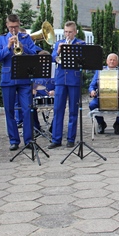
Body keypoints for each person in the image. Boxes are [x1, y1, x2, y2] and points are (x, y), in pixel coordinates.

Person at [0, 14, 43, 151]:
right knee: (9, 111)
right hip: (8, 78)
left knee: (27, 109)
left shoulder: (26, 38)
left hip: (24, 78)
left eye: (16, 27)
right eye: (11, 27)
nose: (13, 30)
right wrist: (8, 47)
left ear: (19, 24)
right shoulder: (1, 39)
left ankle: (29, 140)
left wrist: (22, 47)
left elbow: (34, 54)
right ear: (7, 25)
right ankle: (14, 140)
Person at [48, 21, 86, 149]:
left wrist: (72, 51)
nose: (67, 34)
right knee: (58, 109)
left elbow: (83, 59)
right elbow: (53, 58)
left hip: (74, 79)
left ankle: (71, 139)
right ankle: (56, 139)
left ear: (75, 32)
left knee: (73, 110)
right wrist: (58, 51)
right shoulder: (59, 43)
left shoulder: (80, 44)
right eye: (66, 32)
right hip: (60, 80)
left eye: (70, 32)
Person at [89, 53, 119, 134]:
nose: (112, 61)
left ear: (117, 62)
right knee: (92, 105)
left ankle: (118, 123)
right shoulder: (100, 71)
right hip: (101, 97)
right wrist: (92, 91)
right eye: (110, 60)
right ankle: (101, 123)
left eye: (114, 60)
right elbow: (92, 85)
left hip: (118, 98)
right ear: (107, 61)